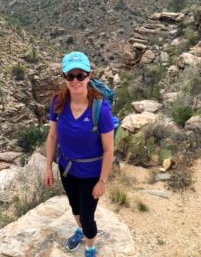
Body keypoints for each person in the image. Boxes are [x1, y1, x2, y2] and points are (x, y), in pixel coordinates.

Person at [44, 51, 114, 257]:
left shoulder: (100, 109)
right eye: (70, 75)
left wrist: (102, 181)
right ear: (64, 77)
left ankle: (90, 246)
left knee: (88, 215)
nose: (75, 80)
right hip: (67, 169)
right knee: (74, 207)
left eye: (80, 75)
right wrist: (48, 166)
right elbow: (52, 137)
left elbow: (109, 149)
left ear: (89, 76)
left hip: (91, 174)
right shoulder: (58, 102)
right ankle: (80, 230)